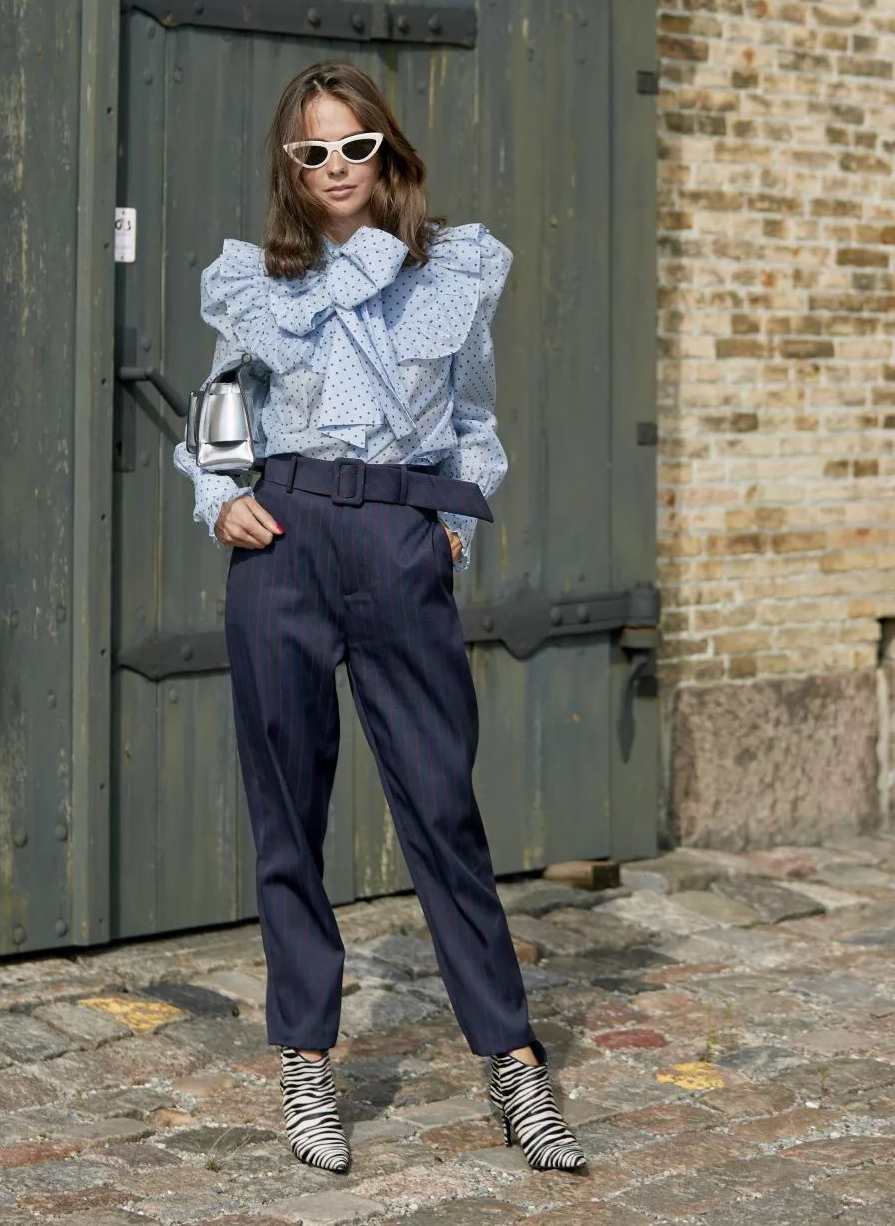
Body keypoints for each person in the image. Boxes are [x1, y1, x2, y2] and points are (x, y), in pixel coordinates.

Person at [173, 61, 586, 1177]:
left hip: (400, 544)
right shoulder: (261, 283)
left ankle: (512, 1065)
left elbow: (474, 422)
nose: (337, 168)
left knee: (443, 807)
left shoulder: (445, 272)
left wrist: (445, 535)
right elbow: (219, 411)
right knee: (287, 815)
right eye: (314, 152)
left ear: (386, 150)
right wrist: (223, 503)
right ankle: (307, 1067)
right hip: (287, 545)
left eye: (355, 146)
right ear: (291, 169)